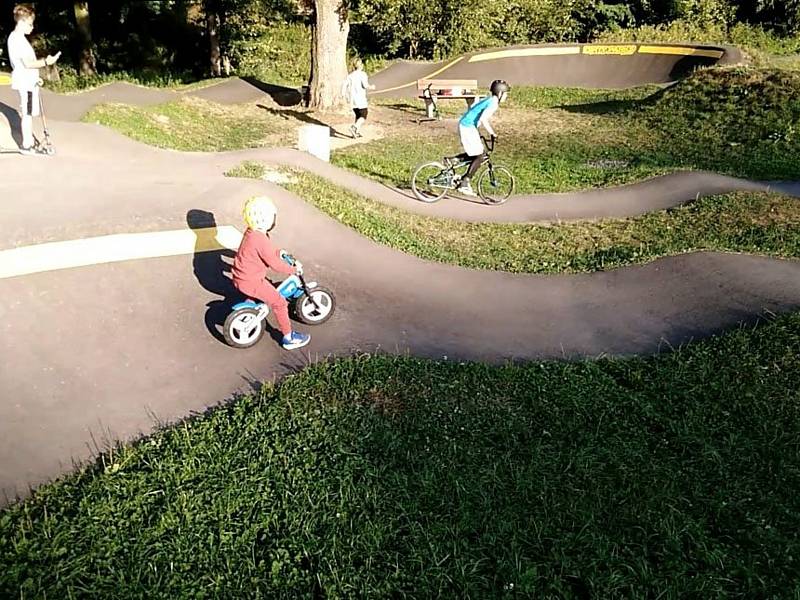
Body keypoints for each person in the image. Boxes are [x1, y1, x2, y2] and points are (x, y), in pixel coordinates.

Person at [231, 196, 311, 350]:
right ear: (265, 219)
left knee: (260, 291)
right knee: (279, 302)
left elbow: (267, 251)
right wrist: (294, 269)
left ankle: (250, 306)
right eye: (273, 217)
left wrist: (279, 252)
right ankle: (288, 338)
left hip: (241, 277)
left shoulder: (252, 233)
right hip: (251, 281)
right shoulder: (260, 239)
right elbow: (274, 265)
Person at [6, 4, 61, 155]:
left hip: (29, 81)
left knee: (28, 111)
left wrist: (36, 78)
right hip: (25, 83)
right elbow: (27, 63)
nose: (32, 27)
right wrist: (46, 62)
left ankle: (28, 143)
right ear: (22, 22)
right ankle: (27, 144)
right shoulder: (17, 40)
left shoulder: (18, 39)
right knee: (28, 113)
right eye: (30, 24)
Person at [446, 79, 509, 196]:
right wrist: (492, 133)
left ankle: (453, 160)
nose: (506, 96)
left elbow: (475, 109)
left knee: (477, 154)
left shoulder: (489, 99)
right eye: (505, 94)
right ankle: (465, 182)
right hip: (467, 126)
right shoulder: (493, 103)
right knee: (480, 156)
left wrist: (476, 130)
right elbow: (483, 118)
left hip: (467, 125)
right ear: (500, 93)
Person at [342, 58, 375, 139]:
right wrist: (372, 87)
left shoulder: (350, 75)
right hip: (360, 99)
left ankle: (356, 132)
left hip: (352, 100)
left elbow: (344, 85)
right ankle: (354, 127)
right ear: (361, 65)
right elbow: (365, 85)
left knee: (358, 115)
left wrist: (343, 94)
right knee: (364, 114)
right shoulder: (362, 74)